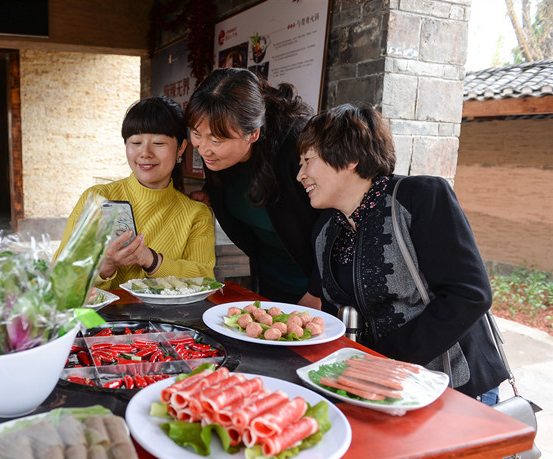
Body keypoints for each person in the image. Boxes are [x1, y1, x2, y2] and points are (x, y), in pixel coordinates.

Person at [296, 103, 510, 403]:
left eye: (308, 160)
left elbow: (469, 295)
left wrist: (386, 358)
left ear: (350, 159)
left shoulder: (420, 198)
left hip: (453, 387)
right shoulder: (326, 229)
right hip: (380, 386)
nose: (300, 175)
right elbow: (330, 309)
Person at [184, 68, 322, 308]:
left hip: (315, 289)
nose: (203, 148)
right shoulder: (220, 158)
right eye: (197, 134)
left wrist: (319, 291)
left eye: (216, 140)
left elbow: (338, 221)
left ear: (253, 133)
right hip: (269, 281)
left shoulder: (298, 148)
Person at [55, 96, 216, 290]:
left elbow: (205, 280)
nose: (145, 153)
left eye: (158, 143)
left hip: (170, 320)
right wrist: (104, 266)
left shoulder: (196, 214)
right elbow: (59, 277)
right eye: (136, 142)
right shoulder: (97, 199)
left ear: (181, 147)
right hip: (103, 320)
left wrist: (150, 259)